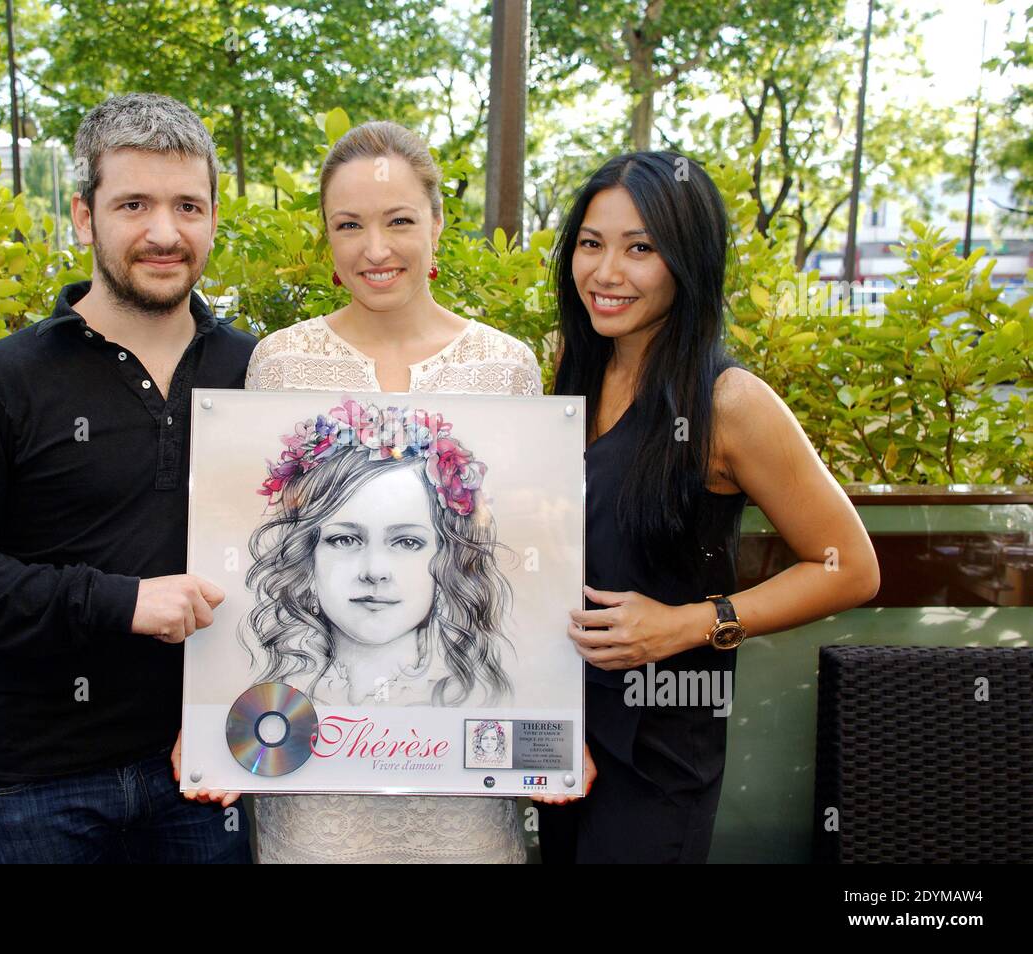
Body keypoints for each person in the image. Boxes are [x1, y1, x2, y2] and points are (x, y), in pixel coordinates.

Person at [0, 93, 256, 863]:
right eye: (134, 204)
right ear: (85, 218)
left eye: (188, 205)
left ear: (214, 217)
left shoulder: (257, 372)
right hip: (38, 785)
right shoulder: (2, 382)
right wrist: (120, 602)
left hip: (209, 763)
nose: (164, 232)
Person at [539, 151, 881, 863]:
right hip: (568, 732)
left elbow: (849, 567)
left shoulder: (729, 402)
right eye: (591, 244)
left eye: (641, 248)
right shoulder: (576, 372)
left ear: (688, 260)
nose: (606, 272)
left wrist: (688, 625)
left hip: (660, 748)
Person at [243, 120, 545, 863]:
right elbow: (258, 558)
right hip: (313, 778)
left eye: (399, 221)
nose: (375, 250)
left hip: (464, 767)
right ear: (327, 239)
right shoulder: (277, 366)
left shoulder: (507, 369)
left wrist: (551, 731)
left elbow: (529, 575)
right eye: (350, 225)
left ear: (438, 225)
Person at [243, 396, 513, 707]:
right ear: (308, 557)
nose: (374, 571)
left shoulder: (481, 701)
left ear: (446, 559)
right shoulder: (271, 701)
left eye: (407, 542)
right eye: (344, 540)